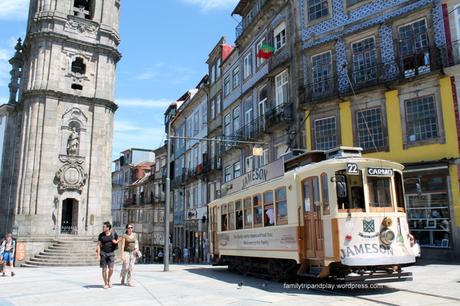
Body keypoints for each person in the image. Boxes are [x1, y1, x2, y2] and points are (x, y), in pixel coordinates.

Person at [96, 221, 119, 289]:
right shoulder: (101, 235)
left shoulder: (113, 234)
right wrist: (98, 254)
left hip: (111, 253)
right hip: (103, 253)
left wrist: (118, 241)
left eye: (104, 227)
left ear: (108, 228)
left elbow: (116, 240)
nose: (103, 228)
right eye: (103, 227)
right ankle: (105, 283)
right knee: (104, 269)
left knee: (111, 269)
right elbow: (98, 245)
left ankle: (109, 279)